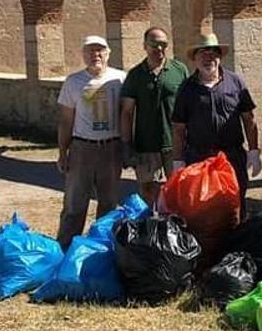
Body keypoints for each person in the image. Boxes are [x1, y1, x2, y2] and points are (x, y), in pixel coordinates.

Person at [171, 34, 261, 217]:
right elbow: (179, 128)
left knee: (235, 204)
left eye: (213, 54)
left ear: (220, 58)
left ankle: (237, 243)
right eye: (203, 54)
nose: (208, 58)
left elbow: (249, 118)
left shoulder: (236, 82)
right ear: (195, 59)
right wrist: (178, 161)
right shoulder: (187, 88)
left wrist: (254, 151)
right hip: (199, 158)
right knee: (203, 208)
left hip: (232, 157)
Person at [56, 35, 126, 249]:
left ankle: (103, 249)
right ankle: (65, 250)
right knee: (74, 204)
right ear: (84, 55)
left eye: (100, 50)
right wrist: (62, 152)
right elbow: (66, 119)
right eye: (90, 51)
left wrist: (126, 147)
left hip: (111, 147)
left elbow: (127, 113)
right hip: (82, 148)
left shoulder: (121, 79)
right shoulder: (73, 82)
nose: (95, 55)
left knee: (109, 203)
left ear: (108, 54)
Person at [120, 27, 189, 206]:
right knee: (148, 192)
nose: (159, 48)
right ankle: (150, 230)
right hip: (146, 146)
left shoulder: (179, 70)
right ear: (145, 45)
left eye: (163, 44)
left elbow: (190, 105)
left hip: (175, 145)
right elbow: (127, 112)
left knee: (179, 192)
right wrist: (126, 144)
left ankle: (177, 230)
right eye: (154, 44)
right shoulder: (135, 75)